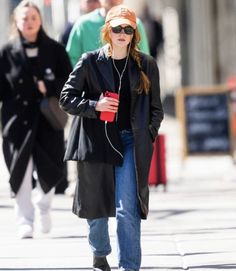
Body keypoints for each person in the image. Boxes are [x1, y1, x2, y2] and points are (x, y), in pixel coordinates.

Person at [60, 4, 164, 271]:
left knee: (126, 209)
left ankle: (129, 266)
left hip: (130, 141)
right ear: (108, 30)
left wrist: (148, 134)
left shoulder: (146, 64)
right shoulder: (90, 61)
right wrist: (95, 105)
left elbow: (156, 109)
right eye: (117, 28)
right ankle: (99, 251)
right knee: (95, 210)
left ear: (133, 34)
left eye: (127, 29)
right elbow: (66, 99)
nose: (122, 33)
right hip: (96, 141)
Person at [0, 0, 72, 239]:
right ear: (16, 22)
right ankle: (25, 220)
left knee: (50, 167)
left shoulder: (55, 49)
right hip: (16, 121)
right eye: (24, 18)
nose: (28, 22)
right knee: (20, 170)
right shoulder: (6, 52)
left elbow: (70, 82)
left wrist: (49, 86)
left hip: (47, 120)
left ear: (40, 20)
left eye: (33, 17)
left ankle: (43, 206)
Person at [66, 0, 150, 67]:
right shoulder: (82, 25)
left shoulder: (135, 23)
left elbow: (144, 60)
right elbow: (71, 60)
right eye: (117, 29)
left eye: (127, 30)